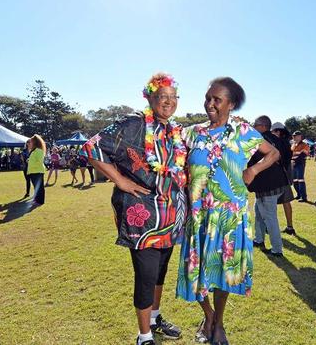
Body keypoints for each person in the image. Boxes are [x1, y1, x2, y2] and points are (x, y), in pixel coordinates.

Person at [81, 73, 186, 345]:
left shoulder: (173, 131)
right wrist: (120, 180)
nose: (168, 102)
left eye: (173, 97)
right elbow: (92, 147)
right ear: (150, 98)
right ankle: (144, 336)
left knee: (161, 271)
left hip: (170, 215)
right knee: (146, 275)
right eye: (162, 96)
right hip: (142, 217)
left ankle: (155, 318)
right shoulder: (133, 124)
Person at [177, 77, 279, 345]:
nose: (210, 103)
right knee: (196, 271)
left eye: (217, 99)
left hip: (230, 217)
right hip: (198, 215)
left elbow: (274, 153)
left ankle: (218, 323)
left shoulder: (243, 131)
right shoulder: (192, 133)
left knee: (223, 271)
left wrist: (253, 170)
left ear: (231, 104)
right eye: (208, 97)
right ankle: (208, 315)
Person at [249, 116, 291, 257]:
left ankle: (277, 249)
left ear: (262, 126)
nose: (253, 127)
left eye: (255, 124)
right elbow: (286, 156)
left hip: (267, 184)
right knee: (259, 212)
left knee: (269, 216)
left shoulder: (259, 140)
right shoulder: (278, 140)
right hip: (276, 182)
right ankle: (259, 239)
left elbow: (252, 160)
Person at [270, 122, 296, 235]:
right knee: (286, 202)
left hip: (277, 177)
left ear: (278, 132)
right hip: (285, 177)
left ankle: (269, 226)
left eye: (273, 132)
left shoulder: (278, 143)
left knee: (271, 202)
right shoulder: (287, 143)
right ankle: (290, 227)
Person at [27, 135, 46, 206]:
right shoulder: (34, 151)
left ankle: (40, 201)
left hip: (38, 171)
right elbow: (34, 160)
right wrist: (29, 160)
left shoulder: (39, 150)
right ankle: (37, 200)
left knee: (40, 187)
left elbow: (40, 161)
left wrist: (32, 163)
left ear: (35, 142)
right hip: (33, 171)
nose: (30, 143)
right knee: (36, 187)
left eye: (31, 142)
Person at [291, 131, 309, 202]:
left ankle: (304, 197)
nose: (294, 137)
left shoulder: (304, 145)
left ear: (300, 137)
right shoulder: (293, 144)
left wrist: (292, 160)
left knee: (300, 180)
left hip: (300, 164)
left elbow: (302, 156)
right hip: (294, 164)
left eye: (296, 136)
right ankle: (299, 194)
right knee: (294, 180)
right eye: (293, 136)